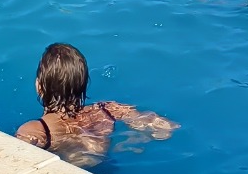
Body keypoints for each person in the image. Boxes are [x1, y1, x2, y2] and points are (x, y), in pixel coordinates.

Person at [15, 43, 176, 167]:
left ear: (39, 86)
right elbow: (166, 129)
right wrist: (131, 140)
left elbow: (19, 159)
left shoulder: (36, 129)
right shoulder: (107, 110)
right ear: (84, 85)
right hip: (106, 169)